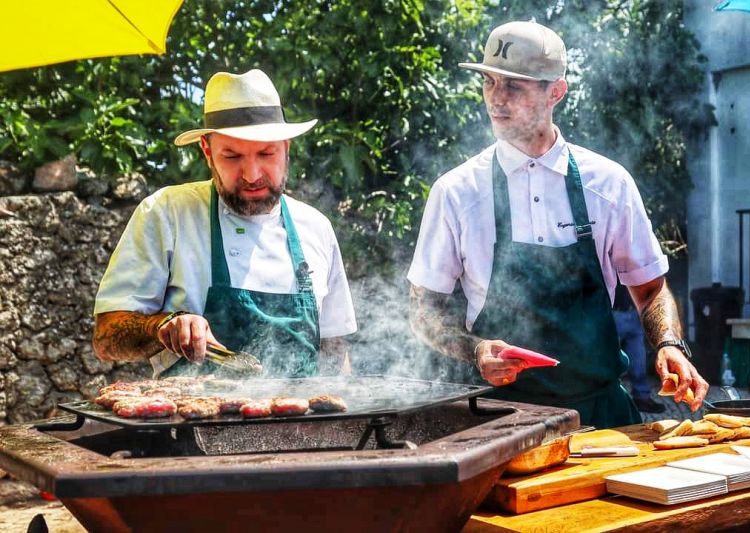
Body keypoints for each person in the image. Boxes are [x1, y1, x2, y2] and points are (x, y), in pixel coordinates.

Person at [407, 20, 708, 429]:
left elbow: (651, 288)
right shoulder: (456, 191)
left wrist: (669, 345)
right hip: (500, 422)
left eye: (514, 86)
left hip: (603, 416)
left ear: (556, 92)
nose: (496, 99)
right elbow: (424, 310)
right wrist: (476, 350)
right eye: (490, 83)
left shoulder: (609, 183)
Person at [93, 69, 357, 378]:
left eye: (266, 153)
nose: (252, 174)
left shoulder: (316, 227)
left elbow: (334, 353)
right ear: (207, 151)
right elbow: (106, 338)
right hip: (195, 424)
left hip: (301, 425)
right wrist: (162, 325)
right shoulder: (167, 213)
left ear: (287, 147)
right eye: (232, 156)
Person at [612, 282, 665, 414]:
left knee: (638, 360)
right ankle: (611, 402)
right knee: (610, 361)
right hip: (614, 313)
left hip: (635, 314)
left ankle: (642, 397)